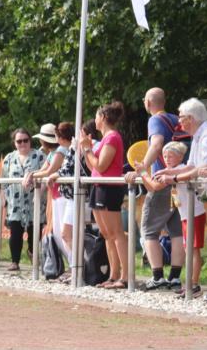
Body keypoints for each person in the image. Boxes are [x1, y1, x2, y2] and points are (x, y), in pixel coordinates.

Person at [156, 98, 207, 302]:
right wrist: (169, 170)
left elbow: (203, 170)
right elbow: (192, 165)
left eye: (181, 118)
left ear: (190, 118)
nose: (179, 123)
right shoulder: (200, 134)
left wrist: (173, 177)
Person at [125, 87, 185, 291]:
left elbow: (157, 144)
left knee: (148, 230)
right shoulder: (177, 120)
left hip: (161, 182)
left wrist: (142, 167)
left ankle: (158, 276)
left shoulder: (155, 120)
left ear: (148, 103)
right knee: (177, 231)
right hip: (180, 181)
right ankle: (175, 277)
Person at [142, 142, 204, 296]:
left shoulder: (176, 171)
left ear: (181, 156)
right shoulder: (177, 169)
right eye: (164, 156)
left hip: (193, 212)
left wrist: (143, 172)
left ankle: (192, 284)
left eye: (171, 155)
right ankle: (184, 280)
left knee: (193, 249)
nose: (167, 158)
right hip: (187, 212)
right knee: (185, 244)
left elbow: (154, 186)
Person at [80, 101, 128, 289]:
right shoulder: (106, 138)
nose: (95, 120)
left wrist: (87, 149)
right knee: (107, 234)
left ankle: (124, 277)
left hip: (109, 189)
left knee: (116, 233)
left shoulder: (112, 138)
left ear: (103, 118)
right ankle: (114, 274)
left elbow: (101, 165)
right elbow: (93, 167)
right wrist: (87, 149)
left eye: (97, 116)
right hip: (98, 186)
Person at [30, 122, 73, 270]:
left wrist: (31, 175)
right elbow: (44, 170)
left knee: (63, 234)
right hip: (56, 195)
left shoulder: (61, 150)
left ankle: (74, 265)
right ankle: (72, 265)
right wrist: (33, 174)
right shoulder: (52, 153)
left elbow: (49, 171)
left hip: (62, 195)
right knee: (58, 233)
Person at [1, 128, 46, 271]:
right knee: (15, 233)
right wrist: (3, 201)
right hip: (15, 204)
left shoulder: (39, 156)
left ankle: (33, 254)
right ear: (14, 143)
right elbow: (3, 181)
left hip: (35, 201)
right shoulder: (9, 158)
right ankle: (15, 261)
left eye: (25, 140)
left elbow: (45, 176)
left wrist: (41, 192)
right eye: (19, 141)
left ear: (30, 141)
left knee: (35, 233)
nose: (22, 143)